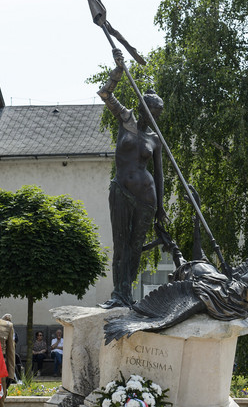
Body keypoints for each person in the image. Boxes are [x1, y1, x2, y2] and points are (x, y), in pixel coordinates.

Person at [97, 48, 168, 309]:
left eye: (158, 113)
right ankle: (119, 294)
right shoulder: (125, 120)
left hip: (146, 198)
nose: (155, 117)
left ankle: (127, 296)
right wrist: (117, 69)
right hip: (121, 192)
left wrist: (160, 207)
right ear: (142, 106)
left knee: (135, 248)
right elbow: (105, 94)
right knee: (121, 245)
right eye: (152, 111)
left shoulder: (155, 139)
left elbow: (159, 175)